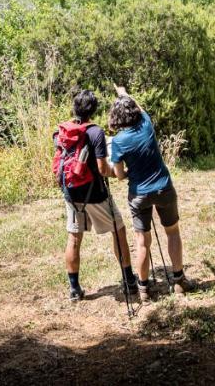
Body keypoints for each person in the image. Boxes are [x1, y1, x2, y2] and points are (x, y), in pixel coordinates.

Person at [55, 89, 140, 303]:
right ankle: (129, 280)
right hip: (94, 193)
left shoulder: (62, 131)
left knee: (74, 237)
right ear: (94, 110)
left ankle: (74, 289)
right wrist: (118, 173)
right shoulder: (95, 132)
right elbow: (102, 169)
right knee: (119, 230)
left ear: (74, 107)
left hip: (71, 193)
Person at [108, 89, 193, 300]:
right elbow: (141, 108)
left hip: (139, 194)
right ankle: (179, 281)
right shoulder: (146, 124)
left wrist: (130, 172)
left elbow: (119, 175)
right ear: (134, 111)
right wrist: (125, 93)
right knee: (172, 232)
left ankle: (144, 289)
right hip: (164, 188)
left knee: (142, 241)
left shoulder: (118, 141)